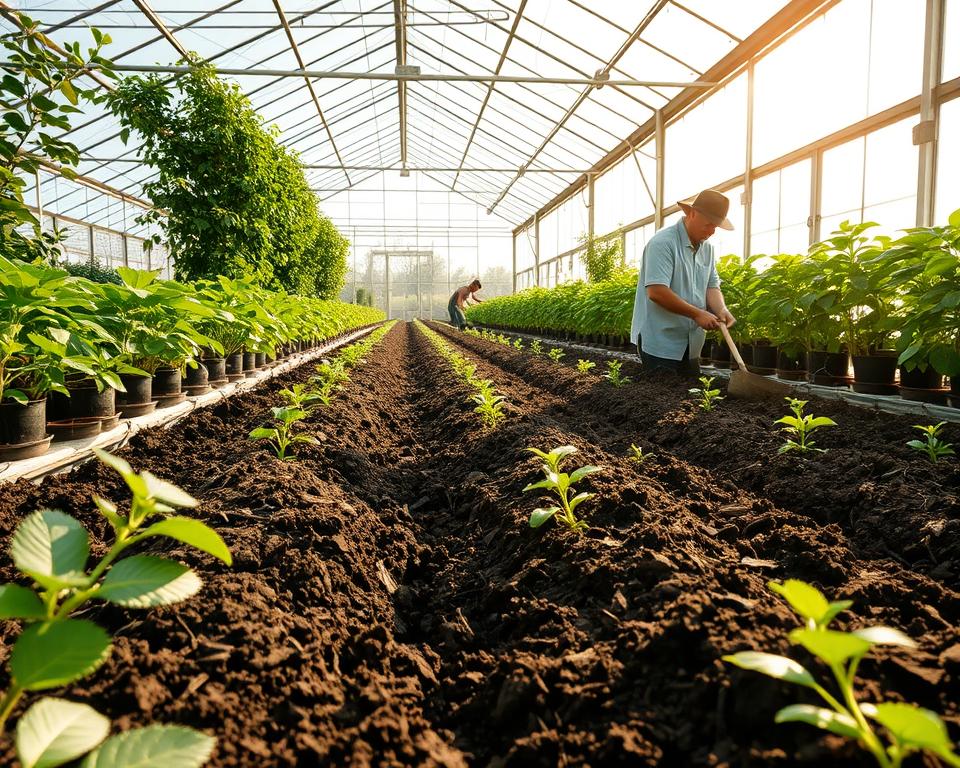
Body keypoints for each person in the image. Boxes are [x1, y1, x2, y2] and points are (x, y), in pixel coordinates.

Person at [630, 189, 736, 376]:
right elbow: (657, 292)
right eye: (709, 225)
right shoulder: (663, 243)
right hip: (661, 342)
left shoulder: (707, 249)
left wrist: (721, 310)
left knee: (688, 392)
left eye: (716, 227)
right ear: (692, 214)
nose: (712, 232)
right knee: (660, 391)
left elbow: (712, 285)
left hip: (692, 343)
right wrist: (697, 314)